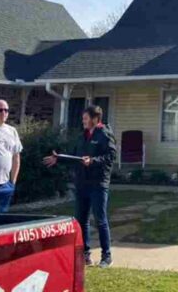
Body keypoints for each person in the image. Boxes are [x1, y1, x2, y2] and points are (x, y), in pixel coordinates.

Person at [43, 104, 117, 268]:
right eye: (83, 118)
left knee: (100, 220)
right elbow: (75, 157)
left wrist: (93, 161)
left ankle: (106, 256)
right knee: (81, 220)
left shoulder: (105, 134)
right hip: (82, 183)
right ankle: (85, 254)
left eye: (85, 118)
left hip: (98, 183)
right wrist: (59, 158)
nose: (83, 121)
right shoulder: (82, 135)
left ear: (95, 119)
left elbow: (111, 156)